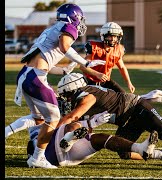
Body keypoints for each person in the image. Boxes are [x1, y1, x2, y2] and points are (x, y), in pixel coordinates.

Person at [13, 3, 106, 168]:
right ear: (73, 17)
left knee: (38, 118)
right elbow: (65, 47)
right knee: (54, 118)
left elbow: (45, 62)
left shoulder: (50, 30)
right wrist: (85, 62)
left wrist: (64, 71)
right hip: (36, 77)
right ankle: (37, 158)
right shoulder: (68, 26)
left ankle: (7, 132)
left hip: (27, 74)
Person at [56, 73, 162, 166]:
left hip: (138, 109)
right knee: (124, 152)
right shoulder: (85, 95)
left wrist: (55, 129)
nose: (66, 100)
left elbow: (74, 116)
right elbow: (85, 128)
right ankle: (160, 154)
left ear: (74, 89)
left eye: (66, 95)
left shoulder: (87, 97)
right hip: (127, 120)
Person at [25, 115, 161, 167]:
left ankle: (140, 148)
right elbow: (33, 145)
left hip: (70, 156)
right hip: (49, 153)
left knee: (99, 138)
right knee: (72, 124)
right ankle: (68, 141)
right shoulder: (37, 119)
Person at [79, 22, 135, 93]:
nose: (113, 39)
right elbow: (82, 67)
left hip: (105, 81)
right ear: (103, 36)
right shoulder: (94, 48)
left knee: (123, 95)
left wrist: (129, 83)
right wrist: (97, 74)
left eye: (115, 36)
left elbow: (122, 67)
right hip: (89, 81)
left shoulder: (118, 50)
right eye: (110, 36)